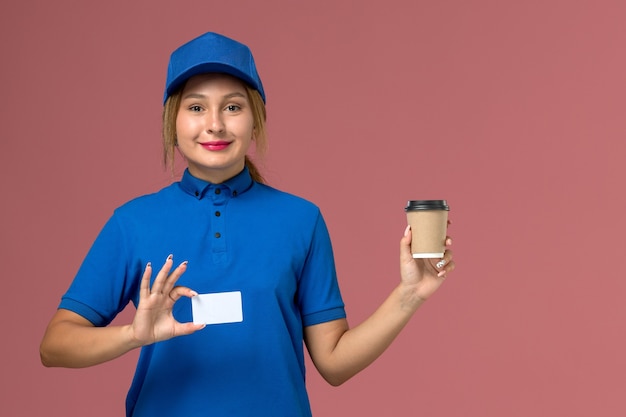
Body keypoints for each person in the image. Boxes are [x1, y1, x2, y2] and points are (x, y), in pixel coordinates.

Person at [40, 31, 455, 417]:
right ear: (173, 122)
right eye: (197, 107)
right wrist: (133, 334)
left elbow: (334, 363)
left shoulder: (300, 220)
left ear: (255, 119)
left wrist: (410, 294)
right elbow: (55, 345)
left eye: (233, 107)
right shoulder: (132, 222)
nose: (215, 123)